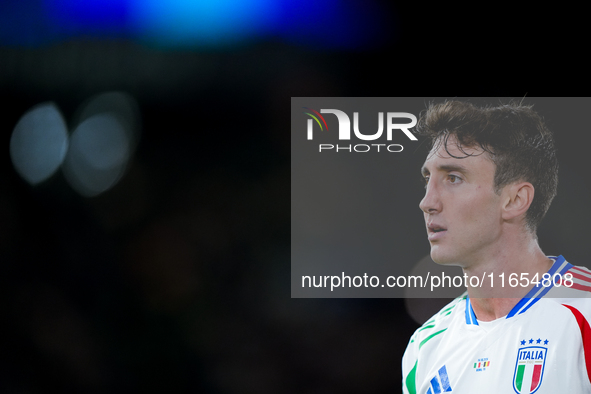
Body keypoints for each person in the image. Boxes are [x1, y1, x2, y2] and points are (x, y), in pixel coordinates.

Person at [402, 100, 591, 394]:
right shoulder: (425, 347)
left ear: (515, 200)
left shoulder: (584, 316)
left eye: (453, 178)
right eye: (428, 179)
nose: (427, 202)